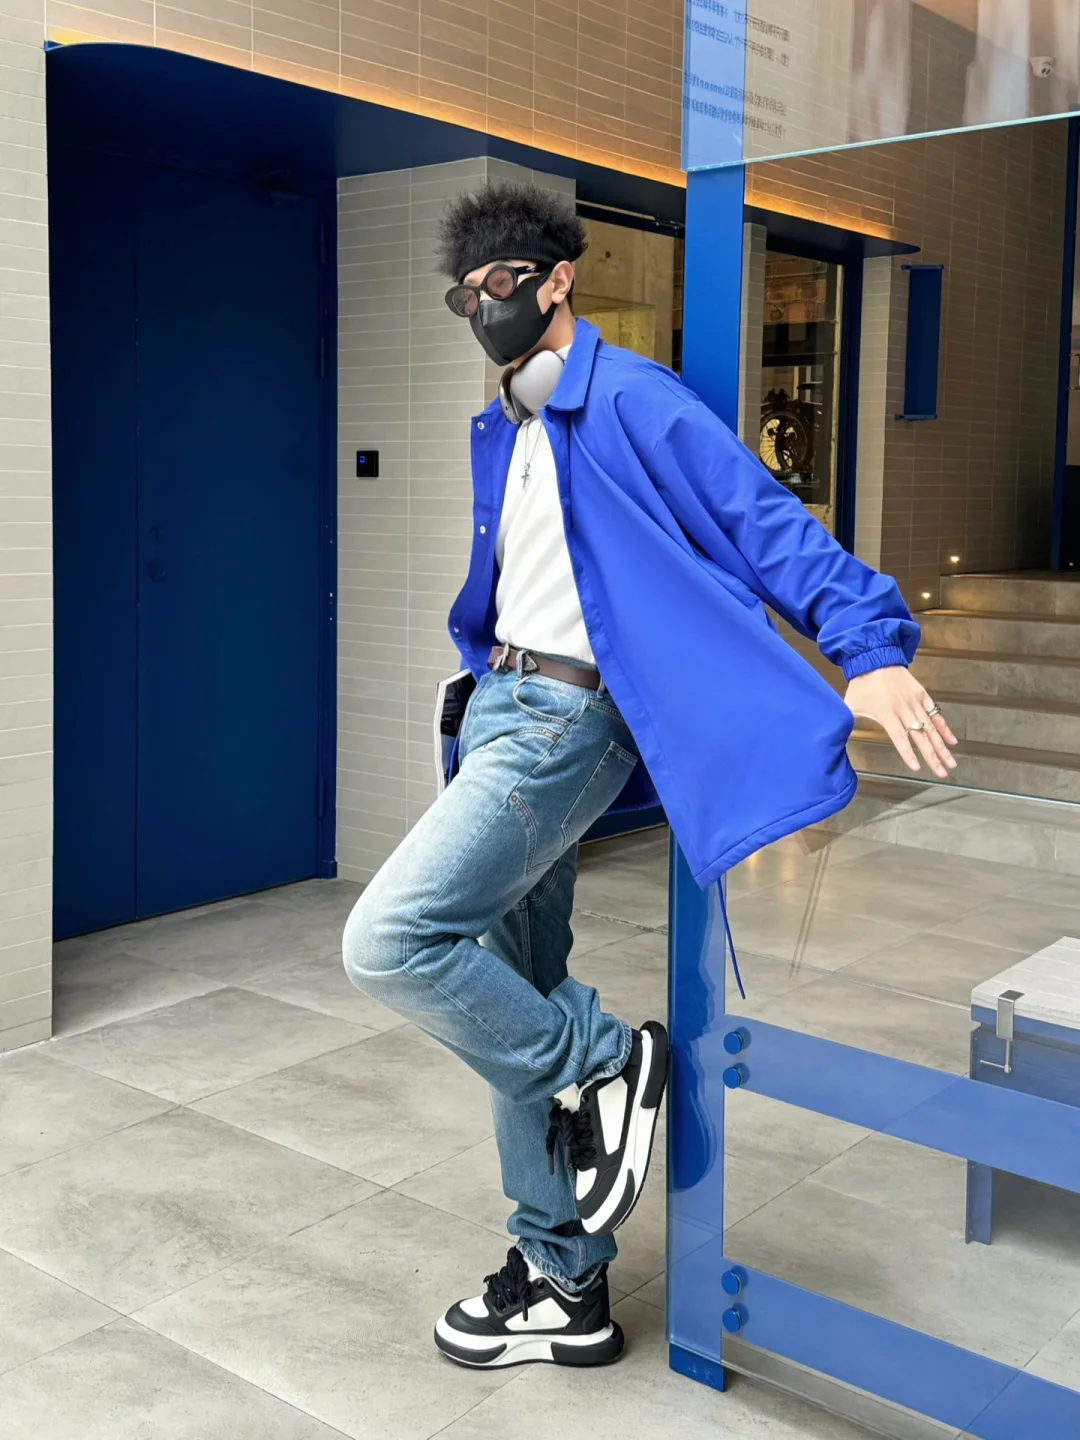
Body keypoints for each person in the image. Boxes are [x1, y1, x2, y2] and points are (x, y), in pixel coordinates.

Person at [342, 181, 957, 1371]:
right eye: (464, 296)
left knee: (391, 940)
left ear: (557, 280)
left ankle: (609, 1062)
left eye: (500, 284)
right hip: (500, 709)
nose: (483, 307)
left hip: (561, 723)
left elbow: (763, 522)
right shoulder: (507, 425)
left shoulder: (629, 398)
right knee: (511, 982)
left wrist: (870, 648)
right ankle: (563, 1280)